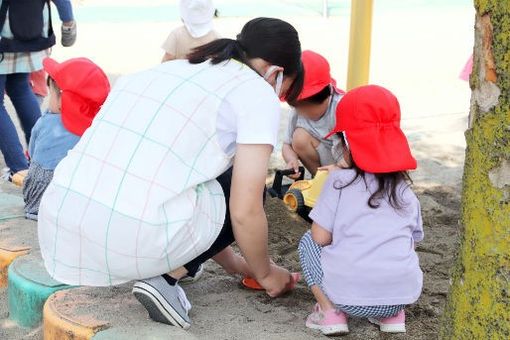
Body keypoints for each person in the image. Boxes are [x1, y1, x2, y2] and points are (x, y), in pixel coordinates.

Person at [38, 17, 304, 330]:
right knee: (247, 189)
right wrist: (267, 275)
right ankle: (165, 278)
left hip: (64, 221)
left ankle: (176, 264)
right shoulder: (256, 91)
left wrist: (235, 265)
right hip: (130, 234)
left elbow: (174, 177)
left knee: (208, 179)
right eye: (283, 91)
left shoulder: (171, 69)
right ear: (275, 74)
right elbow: (244, 210)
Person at [298, 85, 423, 335]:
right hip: (401, 297)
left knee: (308, 241)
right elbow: (414, 240)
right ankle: (392, 317)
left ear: (346, 142)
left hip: (347, 298)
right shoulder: (405, 191)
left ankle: (330, 312)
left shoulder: (338, 182)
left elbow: (321, 238)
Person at [23, 57, 110, 221]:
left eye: (52, 95)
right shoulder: (95, 128)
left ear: (64, 100)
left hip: (36, 201)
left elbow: (33, 153)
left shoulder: (46, 122)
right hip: (73, 204)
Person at [0, 0, 55, 184]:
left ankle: (19, 168)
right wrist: (68, 23)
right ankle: (41, 163)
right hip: (27, 33)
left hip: (4, 32)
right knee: (20, 89)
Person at [282, 50, 344, 178]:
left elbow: (357, 151)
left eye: (308, 108)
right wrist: (291, 160)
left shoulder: (341, 107)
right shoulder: (297, 112)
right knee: (299, 137)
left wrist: (341, 167)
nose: (302, 112)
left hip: (348, 162)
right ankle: (320, 182)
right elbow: (287, 144)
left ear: (327, 95)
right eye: (296, 107)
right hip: (325, 163)